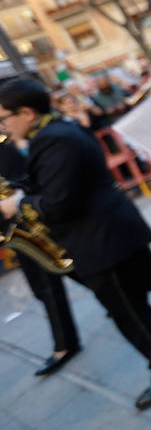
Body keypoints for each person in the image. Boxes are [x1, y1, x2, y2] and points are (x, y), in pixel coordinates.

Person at [0, 79, 151, 409]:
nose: (3, 125)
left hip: (101, 242)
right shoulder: (55, 132)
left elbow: (60, 203)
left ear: (27, 113)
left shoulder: (53, 139)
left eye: (4, 118)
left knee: (129, 312)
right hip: (112, 233)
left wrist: (18, 204)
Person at [0, 137, 81, 376]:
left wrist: (11, 203)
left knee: (48, 286)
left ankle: (64, 346)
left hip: (24, 225)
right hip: (12, 228)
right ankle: (122, 295)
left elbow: (24, 181)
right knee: (59, 279)